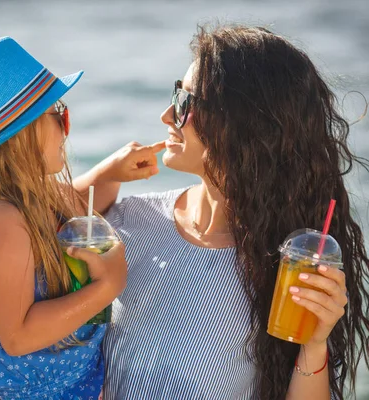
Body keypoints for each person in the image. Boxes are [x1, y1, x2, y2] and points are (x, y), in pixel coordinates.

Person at [93, 25, 369, 399]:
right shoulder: (128, 222)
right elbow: (25, 226)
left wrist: (315, 344)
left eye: (184, 101)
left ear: (239, 122)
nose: (166, 116)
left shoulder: (289, 265)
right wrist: (102, 175)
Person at [0, 37, 164, 399]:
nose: (67, 125)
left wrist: (108, 174)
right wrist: (108, 286)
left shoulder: (31, 202)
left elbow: (71, 202)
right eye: (58, 112)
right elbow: (19, 337)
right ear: (22, 132)